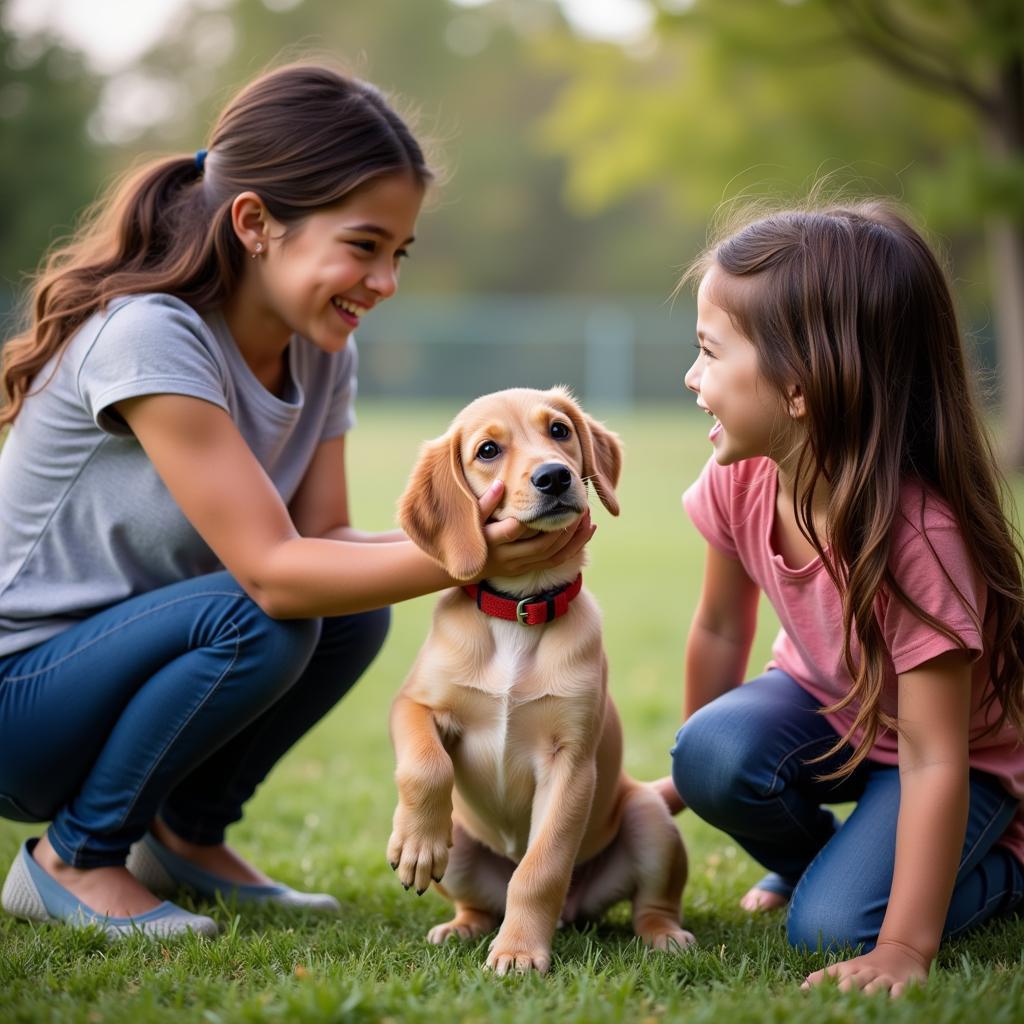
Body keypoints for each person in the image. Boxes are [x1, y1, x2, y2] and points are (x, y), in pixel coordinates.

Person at [0, 62, 593, 939]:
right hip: (24, 699)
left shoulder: (323, 349)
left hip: (125, 672)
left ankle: (184, 836)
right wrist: (478, 550)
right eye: (363, 245)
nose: (385, 280)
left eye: (399, 252)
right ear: (255, 225)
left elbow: (324, 538)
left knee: (354, 610)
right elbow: (276, 577)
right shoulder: (150, 335)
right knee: (268, 615)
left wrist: (463, 536)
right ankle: (76, 859)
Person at [662, 202, 1024, 994]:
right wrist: (688, 789)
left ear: (799, 386)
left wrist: (904, 948)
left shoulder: (919, 540)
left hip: (954, 763)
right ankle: (824, 861)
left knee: (832, 929)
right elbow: (721, 629)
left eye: (709, 352)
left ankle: (1004, 871)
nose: (692, 377)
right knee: (709, 754)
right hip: (827, 708)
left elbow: (936, 757)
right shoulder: (740, 481)